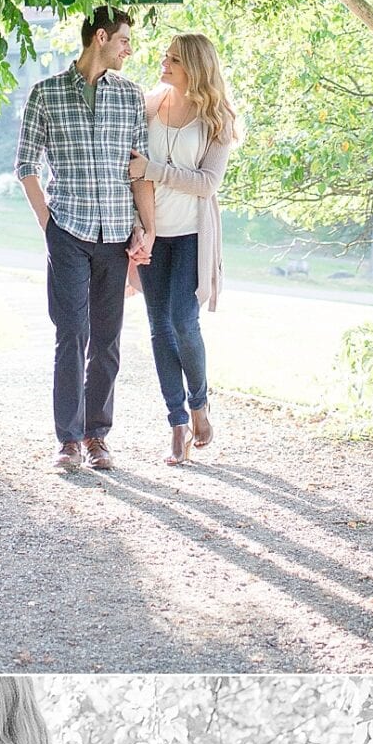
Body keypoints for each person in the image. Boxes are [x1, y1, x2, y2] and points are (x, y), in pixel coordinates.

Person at [15, 4, 156, 474]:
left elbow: (140, 170)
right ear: (100, 38)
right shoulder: (46, 94)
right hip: (68, 232)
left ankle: (98, 435)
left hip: (116, 235)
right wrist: (48, 224)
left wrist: (144, 226)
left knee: (108, 339)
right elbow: (26, 166)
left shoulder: (131, 97)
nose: (128, 49)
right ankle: (69, 440)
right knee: (71, 333)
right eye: (123, 41)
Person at [139, 32, 238, 464]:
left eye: (174, 58)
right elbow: (131, 167)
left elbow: (207, 183)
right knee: (160, 328)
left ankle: (199, 404)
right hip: (150, 235)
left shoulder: (217, 120)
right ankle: (177, 422)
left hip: (192, 238)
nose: (164, 62)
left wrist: (153, 169)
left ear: (194, 67)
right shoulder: (148, 106)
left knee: (184, 321)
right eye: (165, 55)